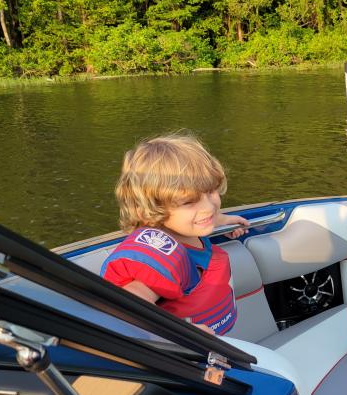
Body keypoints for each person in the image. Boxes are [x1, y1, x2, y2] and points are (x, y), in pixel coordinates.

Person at [101, 133, 248, 336]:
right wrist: (178, 333)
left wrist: (224, 220)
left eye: (210, 191)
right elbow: (128, 304)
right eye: (188, 202)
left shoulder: (186, 226)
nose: (208, 207)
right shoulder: (162, 258)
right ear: (150, 211)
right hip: (193, 351)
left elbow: (207, 213)